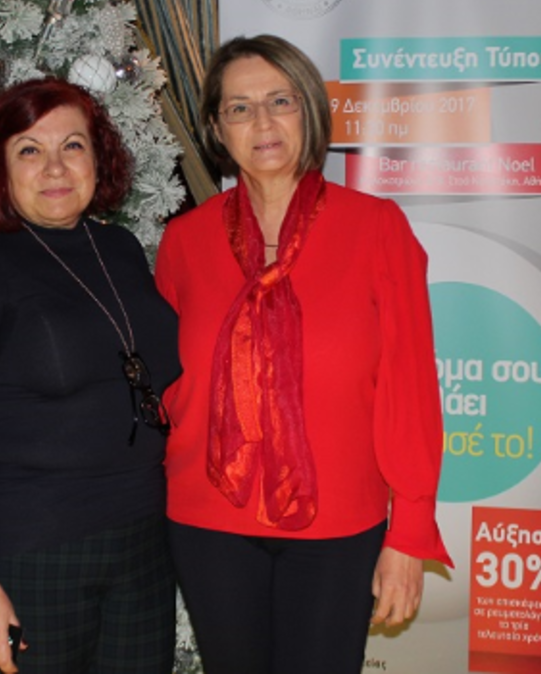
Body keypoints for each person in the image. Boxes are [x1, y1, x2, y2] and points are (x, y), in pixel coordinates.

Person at [154, 34, 453, 673]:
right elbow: (163, 379)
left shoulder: (376, 228)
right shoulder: (183, 241)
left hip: (339, 526)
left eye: (280, 100)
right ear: (217, 129)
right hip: (208, 522)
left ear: (309, 110)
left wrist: (409, 532)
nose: (262, 122)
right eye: (239, 108)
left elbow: (409, 389)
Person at [0, 77, 181, 674]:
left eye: (72, 145)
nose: (55, 168)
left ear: (99, 156)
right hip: (32, 553)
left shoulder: (120, 249)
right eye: (29, 150)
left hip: (144, 545)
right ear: (1, 167)